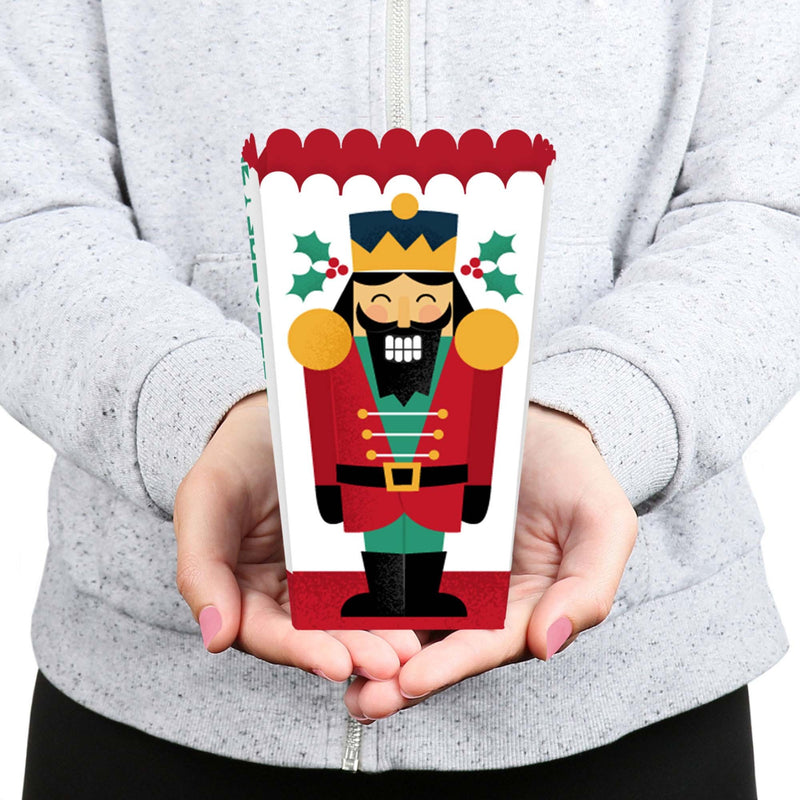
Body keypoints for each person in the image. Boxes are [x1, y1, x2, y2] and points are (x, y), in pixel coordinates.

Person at [2, 1, 797, 797]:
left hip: (640, 692)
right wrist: (205, 409)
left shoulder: (457, 367)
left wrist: (604, 413)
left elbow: (771, 195)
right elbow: (23, 199)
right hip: (148, 698)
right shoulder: (351, 368)